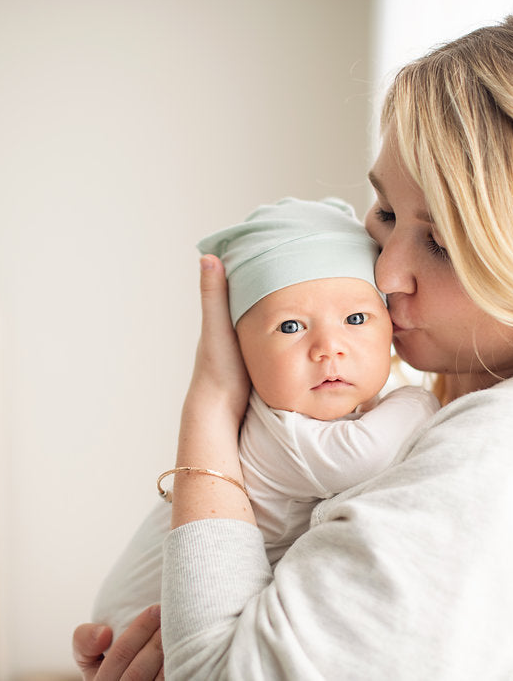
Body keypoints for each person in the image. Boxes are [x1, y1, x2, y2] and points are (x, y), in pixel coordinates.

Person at [74, 7, 513, 679]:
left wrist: (211, 401)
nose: (384, 273)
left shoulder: (509, 455)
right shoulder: (500, 422)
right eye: (384, 213)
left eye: (441, 243)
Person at [91, 197, 439, 638]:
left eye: (355, 318)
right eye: (291, 327)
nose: (329, 347)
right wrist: (420, 399)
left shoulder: (343, 406)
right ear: (239, 349)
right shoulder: (284, 430)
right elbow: (365, 455)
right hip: (142, 618)